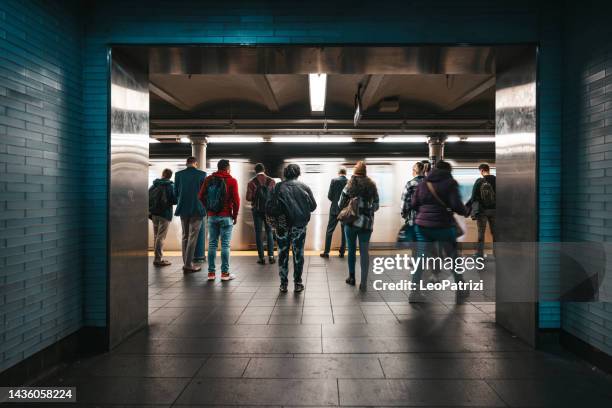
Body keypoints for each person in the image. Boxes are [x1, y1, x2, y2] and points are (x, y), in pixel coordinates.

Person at [410, 160, 467, 302]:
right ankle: (460, 290)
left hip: (422, 227)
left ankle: (414, 292)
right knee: (453, 259)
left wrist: (425, 213)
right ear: (448, 171)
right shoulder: (450, 183)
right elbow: (457, 206)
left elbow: (414, 204)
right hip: (443, 226)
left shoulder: (424, 183)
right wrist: (465, 210)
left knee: (420, 259)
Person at [273, 164, 316, 293]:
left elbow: (271, 206)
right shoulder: (304, 187)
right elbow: (313, 206)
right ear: (298, 174)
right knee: (298, 254)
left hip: (282, 226)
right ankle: (298, 283)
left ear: (285, 174)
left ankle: (283, 284)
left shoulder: (278, 187)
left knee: (282, 254)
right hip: (299, 226)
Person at [338, 161, 379, 292]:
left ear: (355, 172)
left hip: (351, 222)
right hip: (366, 224)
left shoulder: (349, 184)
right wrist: (367, 209)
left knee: (351, 250)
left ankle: (351, 277)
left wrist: (351, 205)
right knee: (364, 253)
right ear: (365, 172)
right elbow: (376, 205)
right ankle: (364, 282)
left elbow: (340, 203)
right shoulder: (372, 185)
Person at [199, 159, 240, 281]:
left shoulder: (208, 180)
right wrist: (235, 215)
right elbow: (236, 201)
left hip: (212, 216)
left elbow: (200, 196)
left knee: (212, 244)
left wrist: (208, 209)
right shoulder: (232, 181)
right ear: (227, 168)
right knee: (225, 245)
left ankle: (211, 274)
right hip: (226, 216)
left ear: (217, 167)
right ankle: (225, 274)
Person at [174, 156, 207, 273]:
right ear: (195, 163)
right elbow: (205, 193)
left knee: (185, 236)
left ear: (186, 163)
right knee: (193, 237)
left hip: (183, 208)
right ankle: (188, 264)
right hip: (197, 209)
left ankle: (186, 263)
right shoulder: (202, 174)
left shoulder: (178, 175)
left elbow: (175, 192)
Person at [246, 163, 276, 265]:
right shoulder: (272, 181)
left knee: (258, 233)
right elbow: (274, 197)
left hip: (257, 211)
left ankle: (261, 258)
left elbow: (248, 198)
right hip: (268, 211)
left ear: (255, 171)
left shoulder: (251, 182)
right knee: (269, 233)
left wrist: (255, 196)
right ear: (264, 170)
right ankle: (271, 256)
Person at [148, 168, 177, 267]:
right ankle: (158, 259)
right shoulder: (170, 186)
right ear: (170, 176)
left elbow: (148, 198)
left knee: (157, 236)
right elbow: (174, 200)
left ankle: (157, 257)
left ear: (162, 174)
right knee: (161, 237)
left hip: (154, 214)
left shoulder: (154, 185)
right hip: (165, 214)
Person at [320, 167, 348, 258]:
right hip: (344, 210)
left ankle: (327, 252)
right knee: (344, 232)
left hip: (334, 209)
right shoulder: (349, 182)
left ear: (338, 173)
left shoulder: (334, 180)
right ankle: (342, 252)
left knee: (329, 230)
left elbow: (329, 196)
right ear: (345, 173)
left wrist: (335, 201)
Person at [470, 163, 496, 257]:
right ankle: (496, 253)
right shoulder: (496, 180)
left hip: (482, 211)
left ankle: (479, 254)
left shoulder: (479, 181)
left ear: (481, 170)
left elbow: (473, 198)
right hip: (494, 210)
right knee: (495, 233)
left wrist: (468, 210)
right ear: (488, 169)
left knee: (481, 232)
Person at [399, 162, 426, 243]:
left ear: (414, 171)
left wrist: (404, 215)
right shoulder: (429, 183)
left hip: (414, 220)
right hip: (428, 220)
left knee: (416, 246)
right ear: (423, 171)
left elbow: (404, 202)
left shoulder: (410, 184)